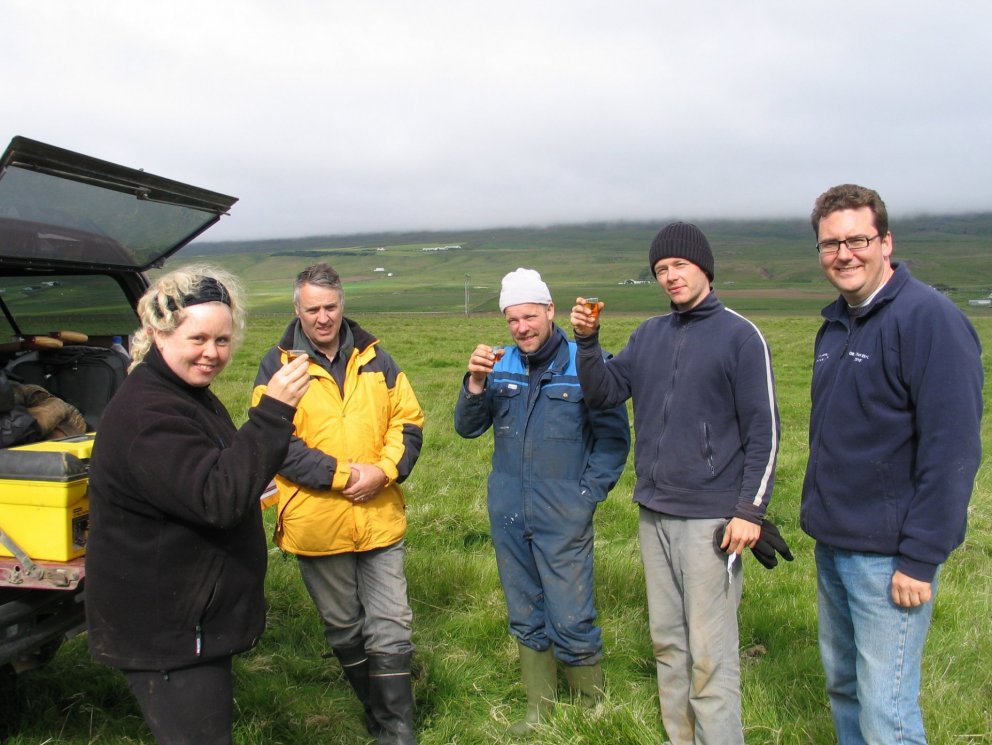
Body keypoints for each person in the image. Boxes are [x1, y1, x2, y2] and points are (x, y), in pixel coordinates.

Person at [570, 223, 782, 745]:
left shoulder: (740, 336)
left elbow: (766, 432)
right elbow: (603, 393)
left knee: (710, 653)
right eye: (661, 269)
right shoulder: (649, 335)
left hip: (712, 521)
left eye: (679, 265)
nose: (670, 276)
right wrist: (588, 343)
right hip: (655, 512)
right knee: (668, 643)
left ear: (704, 268)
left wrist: (749, 512)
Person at [86, 265, 310, 745]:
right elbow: (218, 498)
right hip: (166, 631)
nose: (212, 353)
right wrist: (273, 412)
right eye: (198, 339)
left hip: (186, 619)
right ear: (158, 333)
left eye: (223, 340)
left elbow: (218, 472)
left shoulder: (184, 395)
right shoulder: (149, 415)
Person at [802, 184, 984, 745]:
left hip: (889, 559)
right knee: (845, 687)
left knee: (888, 710)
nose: (844, 254)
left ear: (886, 242)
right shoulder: (837, 322)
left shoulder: (929, 320)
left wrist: (921, 558)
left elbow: (952, 449)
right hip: (835, 543)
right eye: (830, 244)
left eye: (857, 240)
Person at [252, 263, 425, 745]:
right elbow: (276, 443)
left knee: (392, 623)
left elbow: (408, 422)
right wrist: (348, 476)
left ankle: (398, 732)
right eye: (313, 309)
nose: (323, 317)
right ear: (297, 310)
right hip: (317, 522)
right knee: (344, 626)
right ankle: (376, 712)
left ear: (342, 304)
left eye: (330, 307)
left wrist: (383, 472)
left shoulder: (377, 358)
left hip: (379, 514)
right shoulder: (278, 366)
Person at [454, 268, 630, 734]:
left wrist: (586, 497)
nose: (521, 328)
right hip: (509, 512)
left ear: (550, 311)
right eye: (512, 319)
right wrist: (475, 382)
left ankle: (592, 709)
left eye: (529, 316)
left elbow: (614, 441)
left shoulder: (586, 364)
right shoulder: (500, 365)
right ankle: (539, 709)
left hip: (564, 512)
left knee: (572, 614)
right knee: (524, 611)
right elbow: (467, 428)